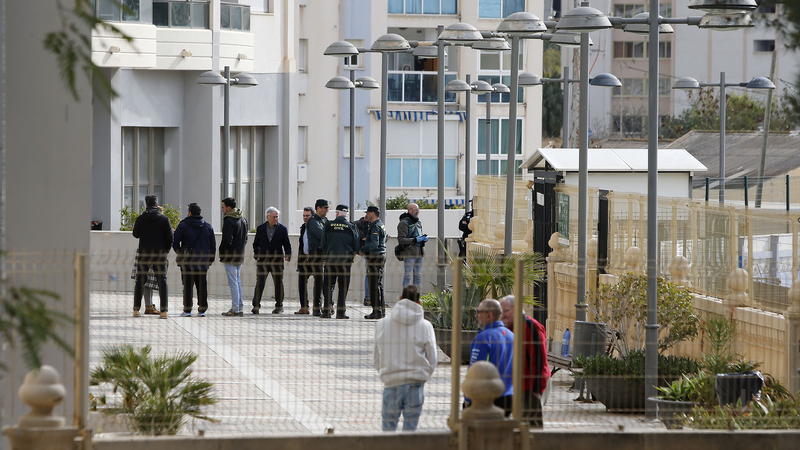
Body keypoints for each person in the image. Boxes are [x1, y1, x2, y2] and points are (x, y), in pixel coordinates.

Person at [373, 285, 437, 432]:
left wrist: (387, 372)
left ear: (400, 299)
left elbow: (376, 358)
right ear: (419, 303)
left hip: (391, 382)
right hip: (415, 383)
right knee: (410, 430)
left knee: (388, 430)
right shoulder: (426, 326)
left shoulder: (382, 324)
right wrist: (423, 375)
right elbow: (433, 359)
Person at [498, 295, 549, 427]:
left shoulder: (529, 326)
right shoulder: (509, 328)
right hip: (515, 388)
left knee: (531, 428)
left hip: (529, 388)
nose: (502, 315)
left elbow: (539, 359)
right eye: (501, 311)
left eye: (506, 311)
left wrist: (536, 390)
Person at [467, 298, 514, 417]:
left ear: (489, 315)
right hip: (509, 396)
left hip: (487, 398)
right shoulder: (512, 336)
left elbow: (475, 371)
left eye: (479, 312)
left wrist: (468, 399)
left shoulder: (483, 338)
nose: (476, 316)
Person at [132, 195, 173, 319]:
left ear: (146, 205)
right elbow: (170, 238)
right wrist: (165, 250)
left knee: (140, 280)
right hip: (160, 253)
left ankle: (136, 309)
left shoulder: (141, 218)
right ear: (156, 205)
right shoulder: (164, 219)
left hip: (144, 253)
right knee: (163, 281)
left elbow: (135, 234)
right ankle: (164, 311)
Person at [172, 202, 216, 317]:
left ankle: (187, 310)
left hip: (187, 262)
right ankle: (202, 310)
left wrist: (180, 253)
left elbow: (175, 241)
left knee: (187, 286)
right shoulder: (208, 227)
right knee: (202, 286)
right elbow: (213, 246)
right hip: (203, 262)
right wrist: (210, 260)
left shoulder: (183, 225)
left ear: (190, 213)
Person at [320, 204, 360, 319]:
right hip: (345, 262)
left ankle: (326, 311)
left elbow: (323, 244)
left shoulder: (328, 226)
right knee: (343, 287)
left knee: (328, 286)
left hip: (330, 261)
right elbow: (356, 246)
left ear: (337, 213)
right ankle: (341, 313)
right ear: (346, 214)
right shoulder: (351, 227)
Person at [252, 206, 292, 314]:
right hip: (263, 261)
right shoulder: (260, 228)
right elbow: (256, 244)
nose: (276, 219)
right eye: (274, 217)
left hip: (277, 261)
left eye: (277, 217)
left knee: (278, 283)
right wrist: (257, 254)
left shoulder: (282, 229)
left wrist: (288, 255)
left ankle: (279, 306)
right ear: (267, 217)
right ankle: (256, 305)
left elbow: (287, 244)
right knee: (260, 283)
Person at [219, 197, 248, 316]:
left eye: (223, 207)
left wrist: (222, 251)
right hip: (240, 254)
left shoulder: (228, 220)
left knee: (233, 283)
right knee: (237, 281)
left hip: (229, 256)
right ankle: (239, 307)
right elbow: (245, 239)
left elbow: (227, 240)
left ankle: (235, 308)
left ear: (229, 208)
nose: (222, 209)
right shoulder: (243, 219)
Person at [361, 205, 387, 320]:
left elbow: (373, 244)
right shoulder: (378, 224)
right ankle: (381, 310)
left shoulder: (376, 226)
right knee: (379, 284)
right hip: (379, 256)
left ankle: (376, 311)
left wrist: (363, 249)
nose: (366, 215)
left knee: (374, 285)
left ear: (372, 213)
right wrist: (366, 223)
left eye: (367, 213)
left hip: (375, 257)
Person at [306, 199, 330, 316]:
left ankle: (327, 305)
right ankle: (316, 307)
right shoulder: (313, 221)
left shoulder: (325, 220)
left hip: (325, 254)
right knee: (319, 280)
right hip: (316, 254)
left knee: (326, 281)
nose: (327, 210)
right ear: (318, 208)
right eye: (325, 208)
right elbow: (322, 234)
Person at [397, 203, 426, 288]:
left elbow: (419, 234)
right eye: (415, 210)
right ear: (410, 210)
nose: (417, 211)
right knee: (408, 275)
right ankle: (406, 296)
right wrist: (415, 240)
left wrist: (423, 238)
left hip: (419, 253)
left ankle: (416, 296)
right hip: (409, 253)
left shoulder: (418, 222)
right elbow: (401, 239)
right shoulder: (404, 223)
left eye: (418, 209)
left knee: (418, 276)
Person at [295, 206, 314, 315]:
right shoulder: (303, 228)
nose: (305, 218)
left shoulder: (316, 227)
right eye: (304, 216)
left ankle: (329, 305)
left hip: (314, 259)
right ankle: (304, 307)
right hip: (304, 259)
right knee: (302, 283)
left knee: (321, 284)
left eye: (308, 215)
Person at [130, 250, 160, 315]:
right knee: (148, 279)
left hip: (144, 248)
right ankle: (148, 305)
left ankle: (146, 305)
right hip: (155, 249)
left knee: (145, 278)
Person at [354, 214, 370, 307]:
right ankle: (368, 298)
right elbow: (365, 236)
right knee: (369, 275)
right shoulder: (357, 224)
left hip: (369, 251)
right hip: (367, 252)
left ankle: (369, 298)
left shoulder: (374, 224)